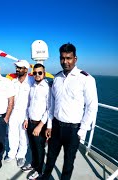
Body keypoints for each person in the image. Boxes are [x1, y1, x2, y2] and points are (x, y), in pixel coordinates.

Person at [41, 43, 98, 180]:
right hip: (56, 126)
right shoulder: (57, 78)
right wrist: (49, 125)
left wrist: (82, 131)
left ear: (75, 59)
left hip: (73, 129)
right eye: (62, 58)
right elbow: (52, 104)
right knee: (50, 157)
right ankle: (45, 177)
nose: (65, 61)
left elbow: (92, 106)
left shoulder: (86, 79)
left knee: (68, 163)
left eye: (69, 58)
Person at [22, 64, 50, 179]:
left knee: (39, 148)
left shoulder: (47, 87)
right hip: (30, 122)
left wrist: (40, 126)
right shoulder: (32, 86)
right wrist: (26, 118)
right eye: (35, 73)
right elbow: (28, 104)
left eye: (40, 72)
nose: (37, 75)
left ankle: (39, 171)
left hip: (40, 124)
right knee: (32, 146)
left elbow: (49, 109)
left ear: (44, 73)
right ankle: (33, 164)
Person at [8, 60, 34, 168]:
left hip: (25, 113)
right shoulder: (13, 82)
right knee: (12, 133)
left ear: (26, 69)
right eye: (17, 67)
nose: (17, 69)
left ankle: (21, 156)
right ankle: (12, 153)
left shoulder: (32, 81)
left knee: (23, 135)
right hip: (14, 111)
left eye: (20, 68)